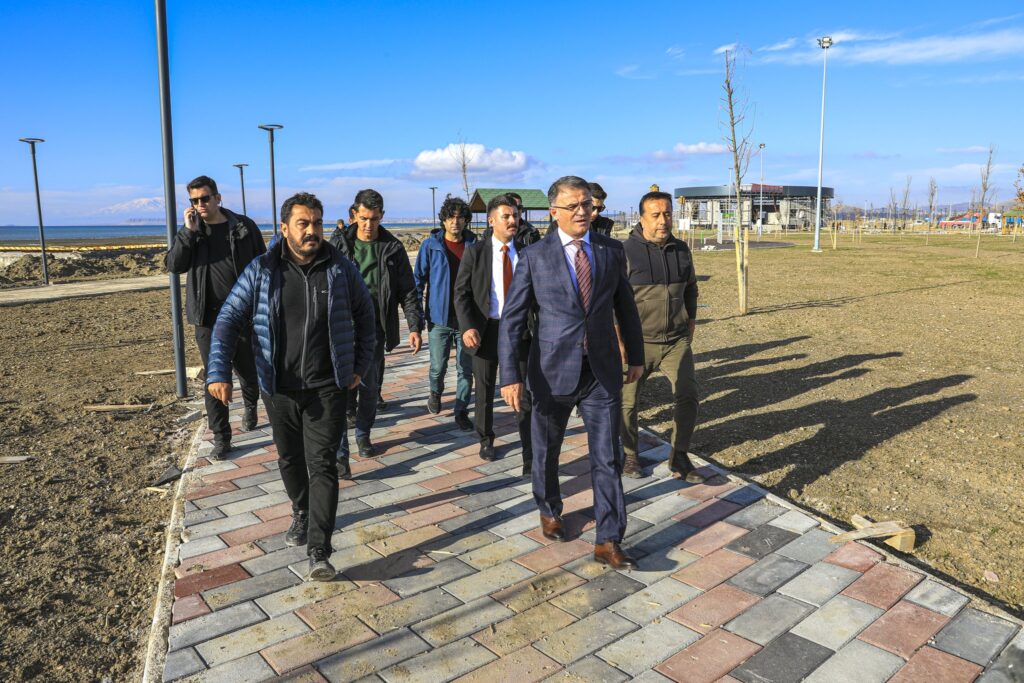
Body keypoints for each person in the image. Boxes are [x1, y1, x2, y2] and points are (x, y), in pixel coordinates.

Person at [206, 192, 376, 581]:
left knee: (323, 464)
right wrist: (218, 371)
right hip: (277, 386)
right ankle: (300, 509)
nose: (312, 230)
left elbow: (366, 317)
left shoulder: (340, 268)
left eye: (317, 223)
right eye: (303, 223)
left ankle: (320, 551)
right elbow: (228, 319)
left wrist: (358, 366)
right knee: (289, 459)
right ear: (284, 229)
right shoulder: (262, 270)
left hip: (327, 386)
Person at [499, 175, 645, 570]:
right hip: (551, 373)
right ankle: (549, 508)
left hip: (601, 371)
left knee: (608, 456)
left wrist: (635, 355)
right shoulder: (535, 256)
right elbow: (512, 320)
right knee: (547, 450)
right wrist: (509, 376)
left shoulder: (611, 250)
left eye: (587, 205)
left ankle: (609, 539)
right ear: (554, 212)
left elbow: (625, 308)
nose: (582, 212)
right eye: (573, 206)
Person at [165, 175, 265, 460]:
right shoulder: (192, 231)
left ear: (218, 198)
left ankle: (250, 404)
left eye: (205, 198)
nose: (200, 204)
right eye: (194, 200)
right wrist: (188, 233)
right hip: (207, 319)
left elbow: (264, 264)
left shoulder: (243, 227)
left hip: (243, 314)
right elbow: (174, 265)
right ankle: (222, 438)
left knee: (247, 371)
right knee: (215, 376)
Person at [330, 189, 423, 457]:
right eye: (363, 218)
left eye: (374, 219)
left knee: (370, 386)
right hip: (341, 327)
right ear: (354, 215)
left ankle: (363, 434)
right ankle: (341, 447)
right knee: (339, 386)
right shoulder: (338, 246)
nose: (368, 225)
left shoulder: (392, 248)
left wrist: (415, 326)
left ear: (382, 216)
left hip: (374, 328)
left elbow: (408, 290)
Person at [620, 191, 704, 483]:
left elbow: (691, 288)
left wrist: (691, 321)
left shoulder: (681, 249)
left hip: (676, 341)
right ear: (642, 218)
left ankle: (679, 455)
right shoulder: (625, 252)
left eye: (667, 214)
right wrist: (619, 340)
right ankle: (630, 454)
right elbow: (612, 300)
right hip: (637, 343)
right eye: (655, 215)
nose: (663, 220)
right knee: (628, 402)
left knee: (688, 395)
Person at [455, 194, 533, 472]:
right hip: (486, 329)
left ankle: (529, 451)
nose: (513, 220)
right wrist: (467, 326)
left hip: (520, 332)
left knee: (524, 393)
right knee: (485, 388)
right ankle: (486, 438)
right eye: (506, 216)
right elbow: (461, 293)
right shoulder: (475, 252)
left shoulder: (527, 252)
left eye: (515, 215)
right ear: (491, 221)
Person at [414, 195, 476, 430]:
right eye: (451, 217)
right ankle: (435, 392)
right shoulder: (430, 245)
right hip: (438, 318)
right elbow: (418, 280)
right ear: (443, 220)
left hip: (466, 320)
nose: (455, 222)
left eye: (460, 218)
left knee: (465, 369)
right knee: (438, 367)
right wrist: (417, 317)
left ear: (466, 220)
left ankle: (461, 411)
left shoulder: (474, 244)